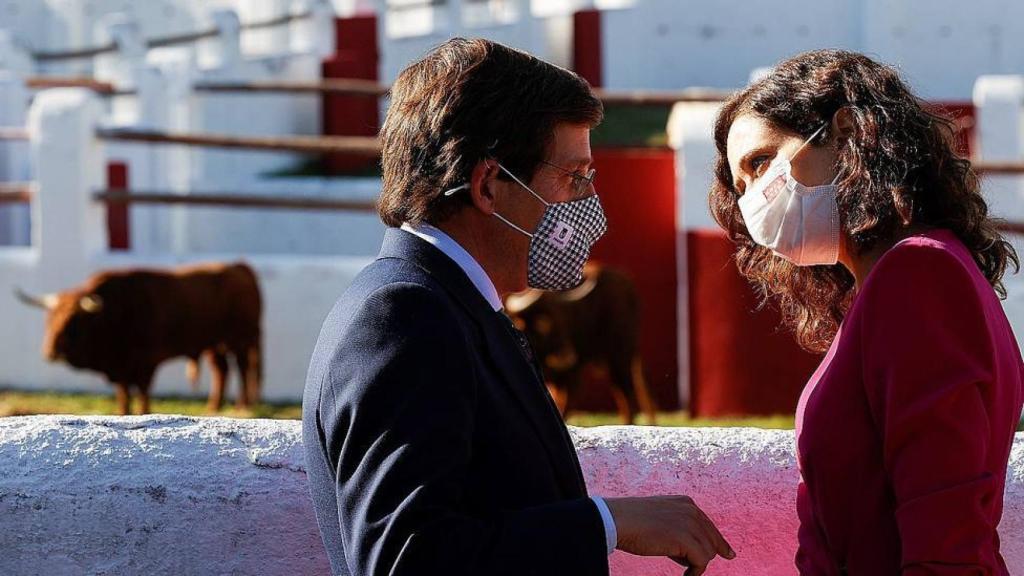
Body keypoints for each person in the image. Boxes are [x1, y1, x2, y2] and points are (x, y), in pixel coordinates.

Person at [302, 38, 734, 576]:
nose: (588, 203)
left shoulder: (456, 305)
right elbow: (408, 560)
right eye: (574, 177)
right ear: (487, 186)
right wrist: (606, 524)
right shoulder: (405, 317)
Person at [710, 49, 1024, 574]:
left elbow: (945, 538)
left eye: (761, 162)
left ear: (845, 132)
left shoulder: (919, 274)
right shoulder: (888, 283)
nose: (753, 202)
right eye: (740, 189)